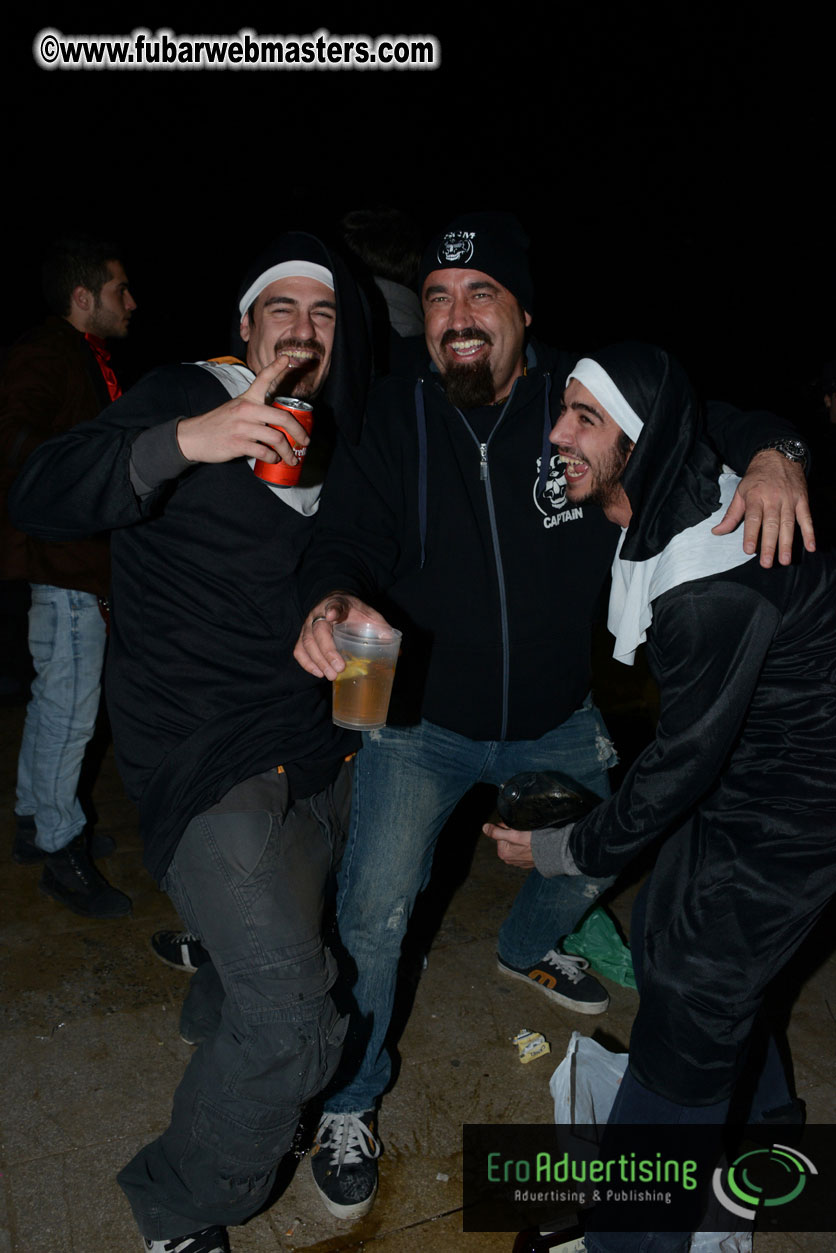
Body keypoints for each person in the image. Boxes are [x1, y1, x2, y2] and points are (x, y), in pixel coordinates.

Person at [292, 212, 815, 1221]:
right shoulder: (393, 414)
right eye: (438, 297)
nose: (455, 316)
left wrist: (775, 450)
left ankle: (525, 943)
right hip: (418, 722)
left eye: (480, 293)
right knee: (374, 914)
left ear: (525, 313)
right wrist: (327, 599)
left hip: (554, 713)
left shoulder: (579, 399)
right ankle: (349, 1100)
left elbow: (701, 411)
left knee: (603, 848)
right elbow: (343, 538)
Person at [9, 233, 372, 1253]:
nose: (302, 330)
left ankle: (217, 1001)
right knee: (296, 1013)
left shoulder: (330, 435)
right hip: (204, 757)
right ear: (245, 326)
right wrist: (183, 442)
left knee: (270, 953)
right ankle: (180, 1199)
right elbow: (38, 487)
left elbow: (333, 554)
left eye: (325, 313)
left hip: (312, 743)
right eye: (281, 309)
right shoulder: (182, 390)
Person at [486, 342, 836, 1253]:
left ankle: (627, 1233)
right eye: (562, 408)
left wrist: (559, 851)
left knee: (692, 997)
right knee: (666, 939)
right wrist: (780, 448)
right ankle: (763, 1133)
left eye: (585, 420)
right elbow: (721, 407)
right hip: (750, 772)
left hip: (798, 806)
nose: (556, 431)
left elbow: (676, 768)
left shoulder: (708, 585)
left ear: (639, 445)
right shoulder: (680, 471)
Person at [0, 236, 136, 917]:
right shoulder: (46, 352)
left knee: (54, 702)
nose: (131, 302)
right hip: (66, 563)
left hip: (75, 562)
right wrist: (79, 483)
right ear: (83, 298)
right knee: (70, 712)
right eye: (120, 290)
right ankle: (60, 848)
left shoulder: (82, 356)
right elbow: (13, 439)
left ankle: (33, 819)